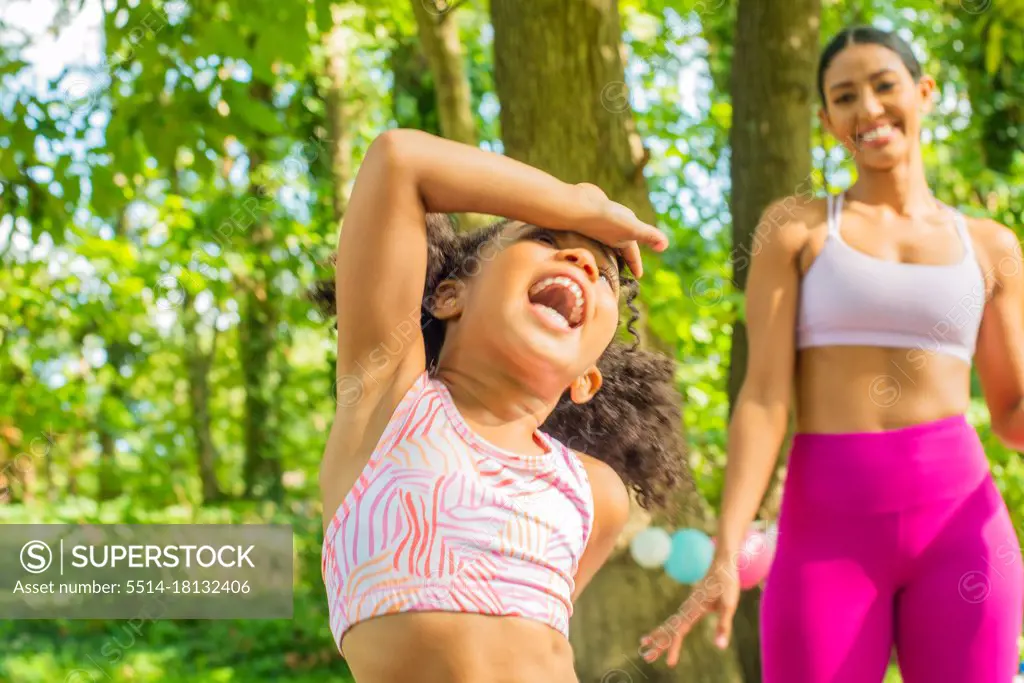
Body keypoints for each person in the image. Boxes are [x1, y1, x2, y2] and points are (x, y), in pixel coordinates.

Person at [641, 24, 1024, 683]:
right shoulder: (798, 227)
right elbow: (763, 395)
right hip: (828, 536)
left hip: (962, 531)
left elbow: (1013, 413)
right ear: (826, 120)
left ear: (923, 92)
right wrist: (727, 547)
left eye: (884, 86)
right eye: (845, 97)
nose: (868, 109)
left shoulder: (991, 246)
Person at [313, 128, 690, 683]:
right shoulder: (390, 404)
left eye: (604, 272)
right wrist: (576, 201)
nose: (580, 261)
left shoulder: (594, 495)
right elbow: (400, 161)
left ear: (587, 379)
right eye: (542, 237)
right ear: (448, 296)